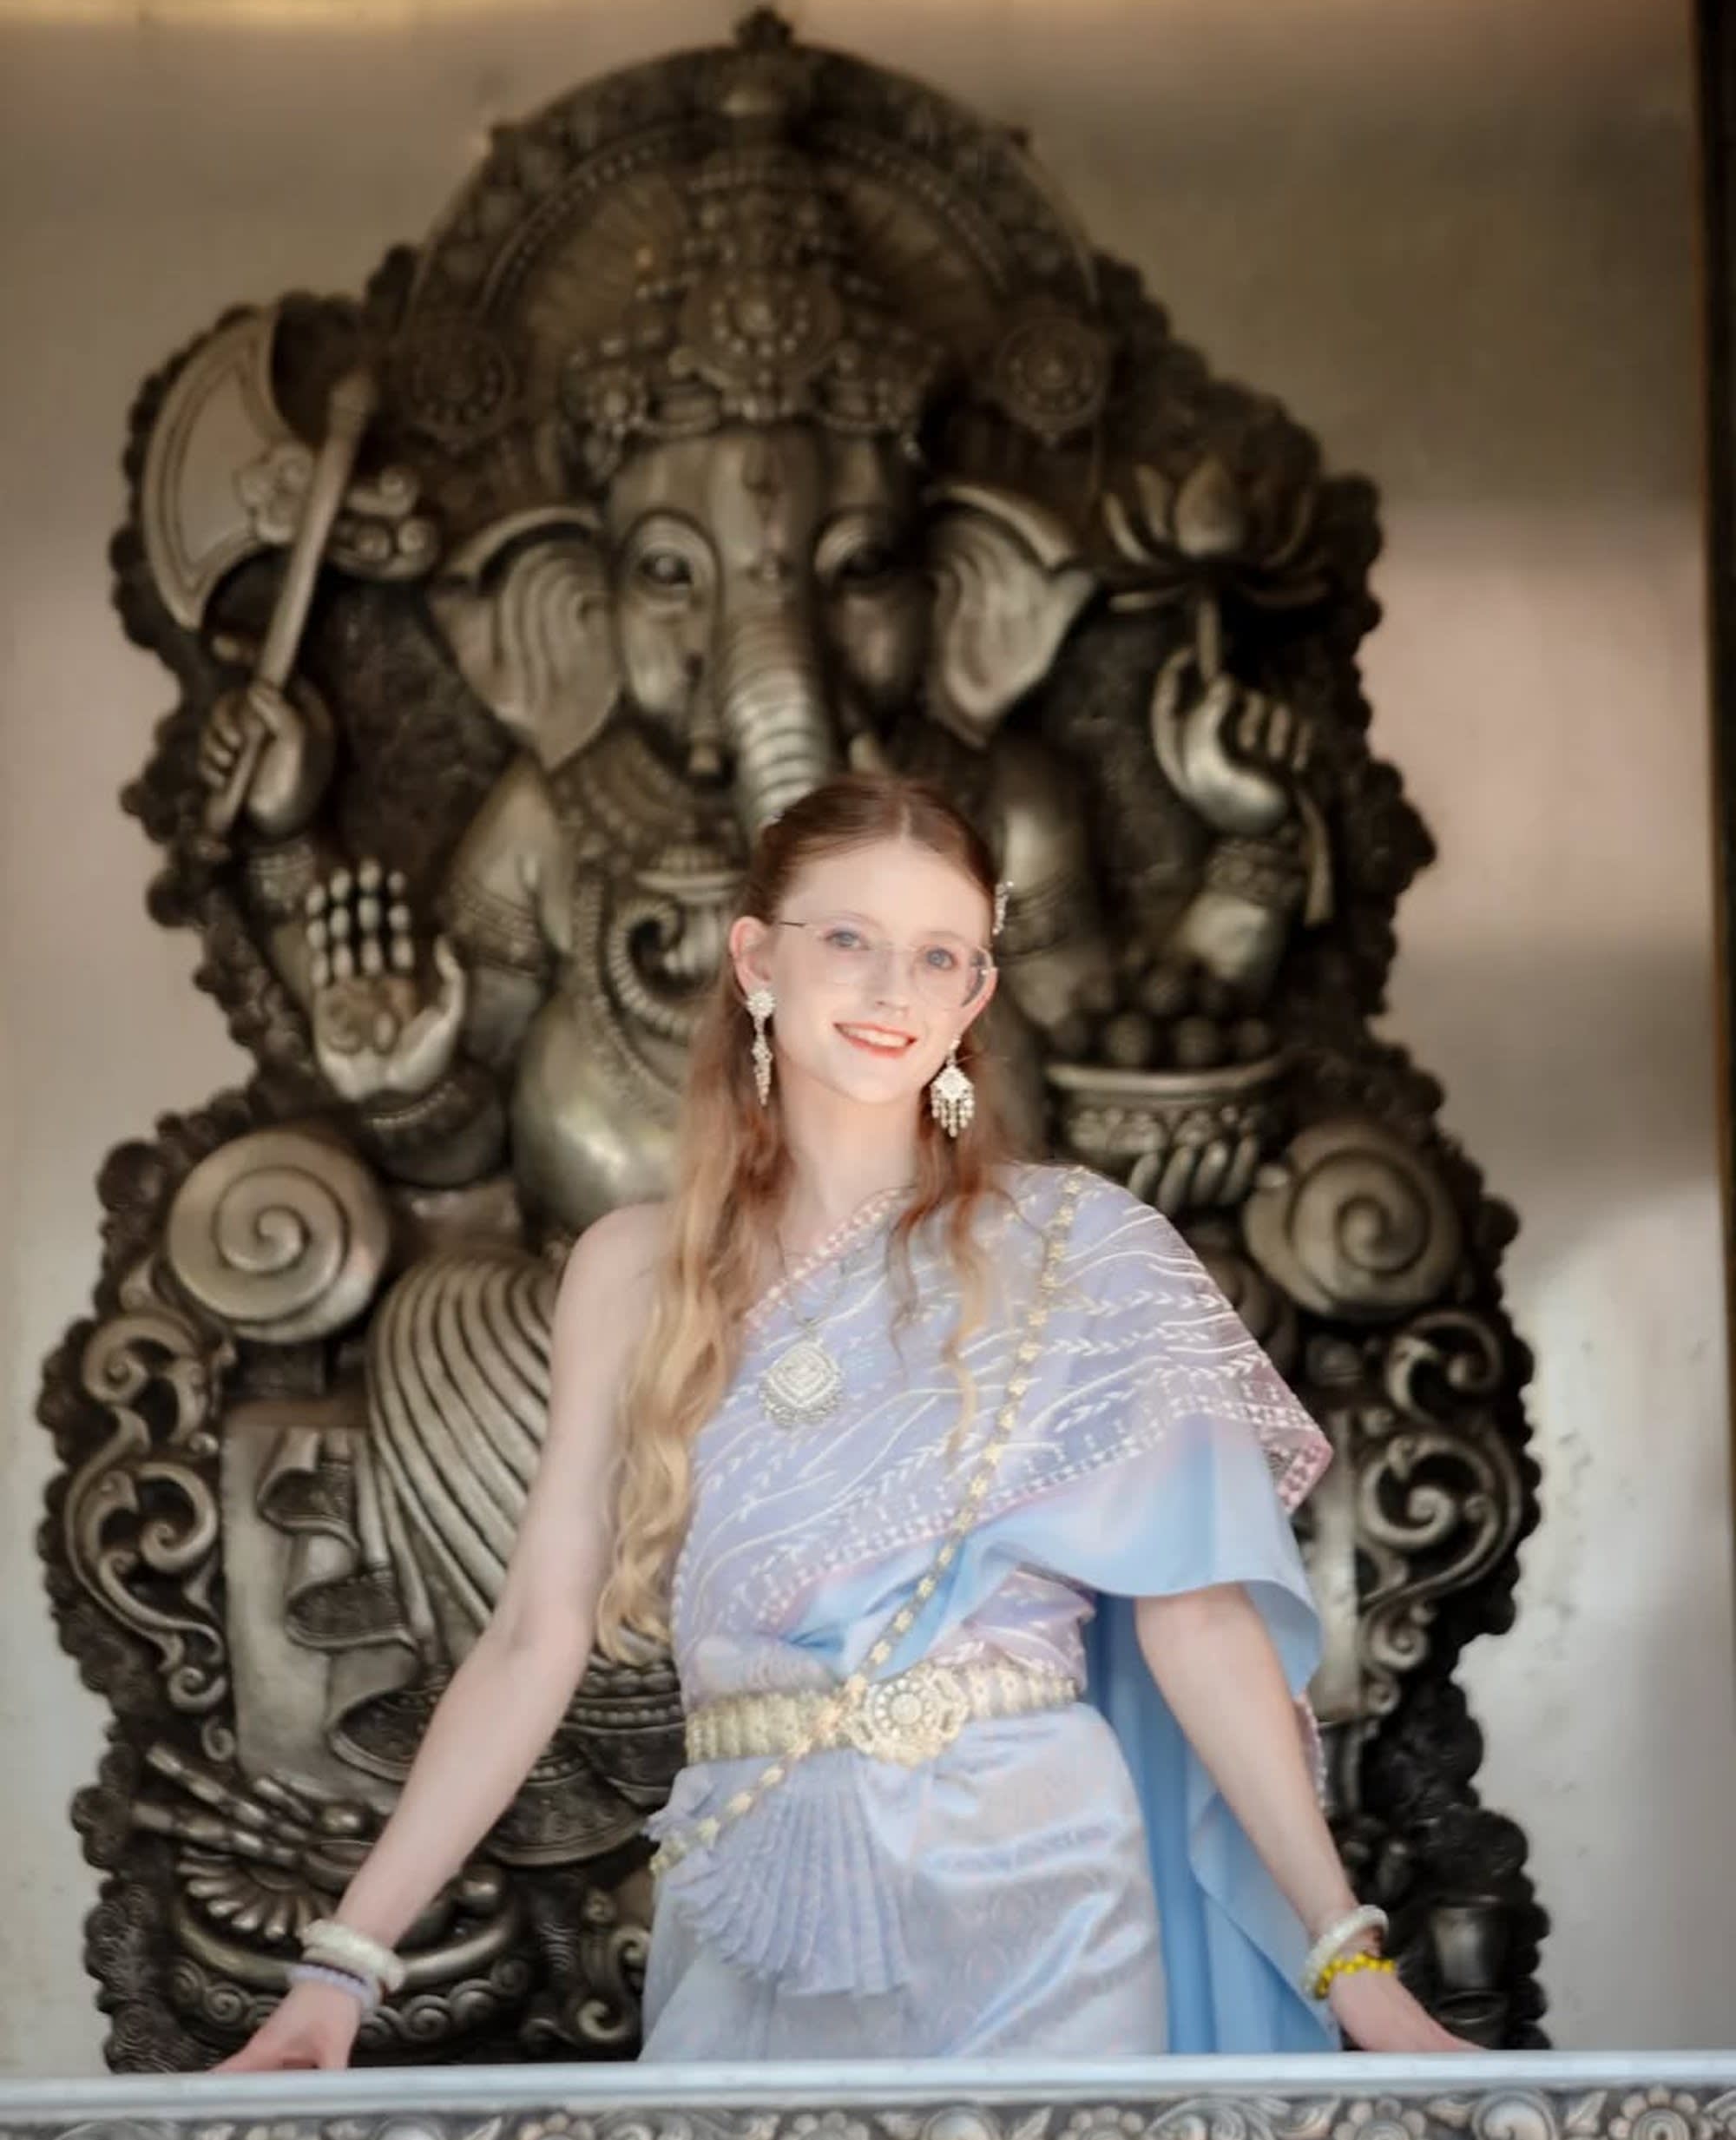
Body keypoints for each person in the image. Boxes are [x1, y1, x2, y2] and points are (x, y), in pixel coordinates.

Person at [219, 774, 1470, 2071]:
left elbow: (1199, 1622)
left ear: (975, 997)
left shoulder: (1081, 1250)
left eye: (939, 957)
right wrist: (341, 1971)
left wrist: (1355, 1970)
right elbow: (535, 1640)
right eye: (850, 940)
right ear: (756, 959)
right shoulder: (631, 1270)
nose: (893, 991)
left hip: (1041, 1891)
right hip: (750, 1887)